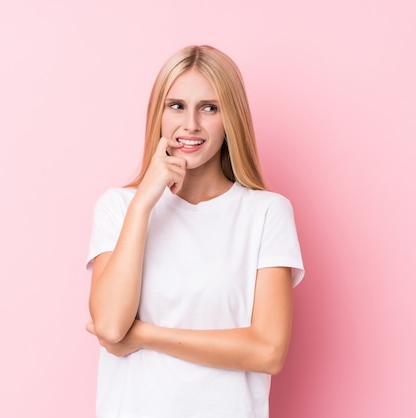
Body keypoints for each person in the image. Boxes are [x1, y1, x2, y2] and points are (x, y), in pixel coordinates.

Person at [85, 45, 304, 418]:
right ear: (159, 113)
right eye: (176, 106)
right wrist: (143, 205)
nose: (190, 125)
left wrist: (144, 336)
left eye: (209, 107)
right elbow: (108, 324)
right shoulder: (118, 207)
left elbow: (268, 351)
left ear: (230, 116)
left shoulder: (266, 213)